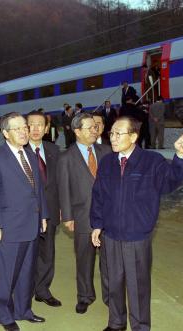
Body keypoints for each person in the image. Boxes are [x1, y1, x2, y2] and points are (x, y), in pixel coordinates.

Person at [90, 116, 183, 331]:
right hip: (110, 234)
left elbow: (170, 180)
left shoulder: (151, 161)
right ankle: (116, 323)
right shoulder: (107, 162)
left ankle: (140, 326)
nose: (113, 138)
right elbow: (98, 195)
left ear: (134, 136)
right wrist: (97, 224)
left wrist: (180, 156)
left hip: (137, 236)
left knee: (137, 286)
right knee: (114, 283)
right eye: (112, 134)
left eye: (119, 134)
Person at [0, 112, 48, 331]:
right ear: (5, 133)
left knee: (26, 273)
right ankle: (6, 315)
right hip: (8, 228)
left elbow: (38, 189)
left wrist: (43, 215)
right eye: (17, 129)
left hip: (31, 225)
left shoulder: (30, 155)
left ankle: (24, 310)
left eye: (25, 128)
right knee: (6, 274)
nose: (24, 132)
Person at [57, 112, 111, 314]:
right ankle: (85, 296)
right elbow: (64, 189)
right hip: (82, 216)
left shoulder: (106, 151)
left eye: (96, 127)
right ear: (77, 131)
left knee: (109, 261)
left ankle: (110, 296)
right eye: (90, 127)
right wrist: (68, 217)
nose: (95, 130)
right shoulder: (66, 158)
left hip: (109, 217)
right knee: (84, 259)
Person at [25, 110, 62, 307]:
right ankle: (25, 292)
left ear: (47, 128)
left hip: (50, 211)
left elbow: (60, 182)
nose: (36, 129)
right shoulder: (18, 151)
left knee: (47, 253)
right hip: (27, 214)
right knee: (27, 254)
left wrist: (63, 208)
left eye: (40, 125)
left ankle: (43, 290)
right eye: (31, 124)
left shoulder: (54, 150)